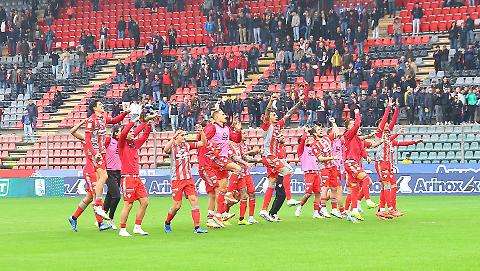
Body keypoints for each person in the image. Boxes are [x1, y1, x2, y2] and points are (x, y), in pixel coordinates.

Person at [259, 93, 302, 221]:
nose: (276, 116)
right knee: (287, 170)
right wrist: (271, 101)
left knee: (272, 183)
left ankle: (263, 210)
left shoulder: (278, 126)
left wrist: (299, 103)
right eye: (274, 114)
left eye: (276, 114)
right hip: (269, 156)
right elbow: (266, 113)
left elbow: (288, 114)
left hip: (272, 158)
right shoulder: (267, 125)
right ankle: (289, 198)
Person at [375, 105, 421, 219]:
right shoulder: (379, 135)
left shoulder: (389, 139)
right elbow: (386, 120)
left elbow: (401, 142)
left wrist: (396, 109)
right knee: (387, 186)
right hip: (381, 163)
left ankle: (382, 209)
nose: (387, 125)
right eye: (385, 124)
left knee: (392, 186)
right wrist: (388, 107)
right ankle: (390, 209)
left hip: (389, 165)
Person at [84, 100, 128, 220]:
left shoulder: (103, 118)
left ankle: (98, 205)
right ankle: (97, 204)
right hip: (96, 153)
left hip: (101, 152)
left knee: (103, 177)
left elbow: (114, 121)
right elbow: (87, 140)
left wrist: (125, 113)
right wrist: (95, 153)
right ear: (94, 108)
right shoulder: (90, 121)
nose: (102, 105)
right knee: (103, 177)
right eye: (100, 105)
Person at [68, 120, 112, 232]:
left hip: (97, 170)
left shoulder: (99, 141)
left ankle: (73, 217)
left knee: (89, 198)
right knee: (97, 195)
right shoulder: (85, 139)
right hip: (90, 171)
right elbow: (72, 131)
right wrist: (82, 122)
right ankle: (101, 223)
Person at [163, 128, 208, 234]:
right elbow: (165, 150)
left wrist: (202, 132)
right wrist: (172, 138)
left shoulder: (187, 145)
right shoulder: (173, 147)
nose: (184, 137)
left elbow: (203, 143)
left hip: (188, 179)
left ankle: (197, 228)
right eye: (182, 135)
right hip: (177, 180)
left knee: (194, 201)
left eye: (184, 135)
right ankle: (167, 222)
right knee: (177, 206)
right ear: (177, 137)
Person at [117, 114, 156, 237]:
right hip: (127, 177)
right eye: (130, 132)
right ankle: (122, 229)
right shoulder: (121, 144)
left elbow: (144, 135)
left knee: (145, 202)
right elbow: (124, 134)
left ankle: (137, 227)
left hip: (136, 177)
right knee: (128, 204)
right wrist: (133, 122)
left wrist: (148, 124)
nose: (132, 133)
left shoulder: (134, 144)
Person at [204, 109, 242, 222]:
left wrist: (239, 130)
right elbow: (203, 140)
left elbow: (236, 139)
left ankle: (217, 217)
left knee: (222, 189)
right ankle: (230, 194)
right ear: (216, 118)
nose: (225, 115)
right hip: (217, 159)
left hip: (224, 159)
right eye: (222, 114)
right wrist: (212, 148)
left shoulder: (226, 128)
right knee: (237, 168)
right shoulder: (212, 127)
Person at [294, 128, 323, 219]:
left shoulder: (313, 148)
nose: (308, 140)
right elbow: (302, 140)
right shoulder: (301, 150)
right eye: (306, 139)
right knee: (308, 193)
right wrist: (305, 133)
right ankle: (300, 206)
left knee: (318, 193)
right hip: (309, 173)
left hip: (316, 172)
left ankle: (315, 212)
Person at [103, 126, 122, 228]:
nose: (122, 134)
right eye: (120, 132)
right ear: (115, 133)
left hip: (119, 172)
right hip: (110, 171)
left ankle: (101, 219)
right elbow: (104, 141)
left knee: (110, 195)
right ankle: (110, 219)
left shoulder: (121, 143)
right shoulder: (109, 140)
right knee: (117, 196)